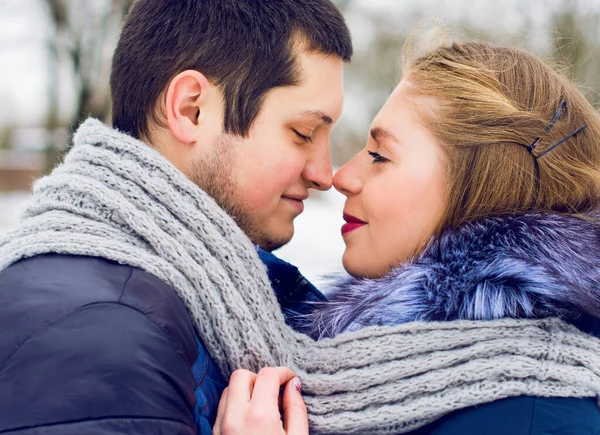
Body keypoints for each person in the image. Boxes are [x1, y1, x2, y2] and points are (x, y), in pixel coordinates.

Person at [0, 1, 352, 433]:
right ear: (190, 110)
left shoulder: (182, 296)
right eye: (303, 133)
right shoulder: (101, 332)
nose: (323, 174)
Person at [213, 41, 600, 434]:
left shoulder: (534, 418)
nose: (342, 177)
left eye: (380, 156)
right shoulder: (364, 371)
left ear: (483, 187)